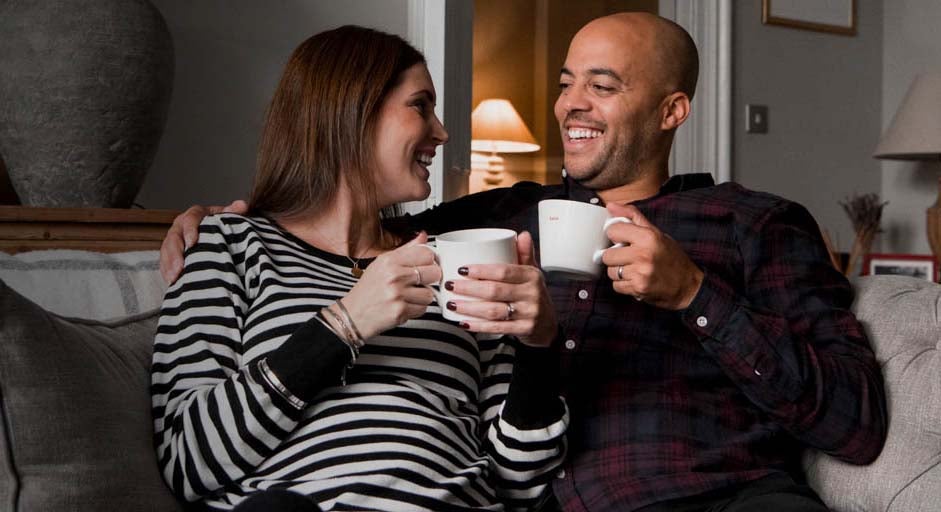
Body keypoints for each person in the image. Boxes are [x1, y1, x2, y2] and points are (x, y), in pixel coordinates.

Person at [161, 13, 887, 512]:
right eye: (566, 81)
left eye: (601, 87)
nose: (570, 104)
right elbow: (340, 224)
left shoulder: (753, 221)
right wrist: (230, 216)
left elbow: (853, 421)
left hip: (715, 495)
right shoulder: (485, 225)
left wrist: (692, 292)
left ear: (671, 111)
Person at [151, 25, 568, 512]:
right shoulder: (228, 244)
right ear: (353, 109)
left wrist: (539, 347)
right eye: (421, 105)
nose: (442, 133)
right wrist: (344, 324)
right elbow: (188, 461)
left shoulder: (453, 262)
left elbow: (522, 482)